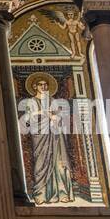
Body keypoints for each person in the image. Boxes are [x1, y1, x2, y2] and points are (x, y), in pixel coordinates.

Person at [23, 74, 74, 204]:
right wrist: (42, 114)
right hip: (40, 136)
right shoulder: (32, 101)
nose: (44, 87)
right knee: (40, 164)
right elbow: (28, 119)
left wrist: (54, 118)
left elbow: (59, 118)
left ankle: (62, 193)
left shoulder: (53, 101)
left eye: (45, 85)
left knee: (59, 164)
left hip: (55, 136)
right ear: (35, 87)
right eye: (41, 85)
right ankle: (41, 194)